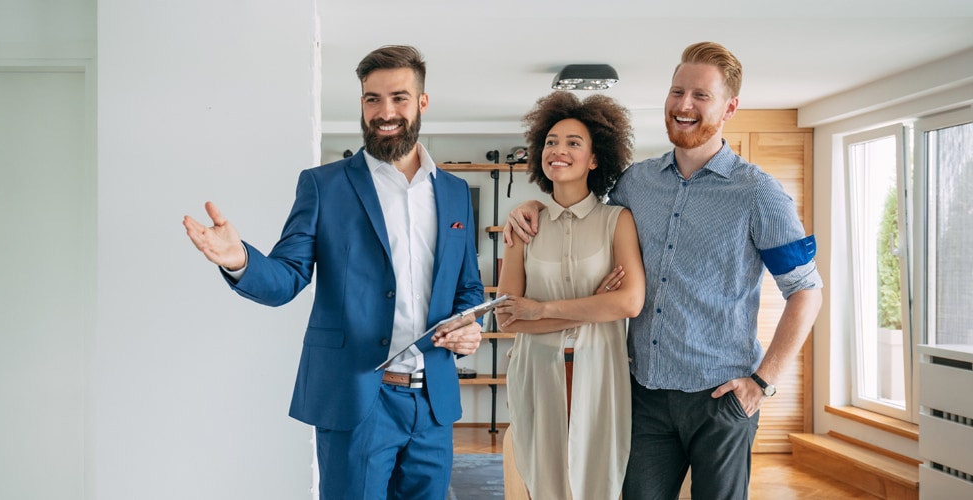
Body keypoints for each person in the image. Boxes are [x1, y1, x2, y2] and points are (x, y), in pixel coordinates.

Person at [504, 41, 823, 499]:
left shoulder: (759, 194)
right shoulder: (637, 182)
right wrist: (531, 206)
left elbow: (806, 291)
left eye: (700, 95)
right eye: (677, 92)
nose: (684, 105)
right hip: (644, 395)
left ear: (730, 107)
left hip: (721, 398)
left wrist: (762, 383)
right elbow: (580, 214)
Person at [182, 45, 485, 500]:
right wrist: (239, 260)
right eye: (372, 99)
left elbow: (468, 287)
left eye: (399, 98)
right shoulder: (323, 185)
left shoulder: (456, 193)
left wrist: (470, 325)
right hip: (358, 399)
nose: (385, 112)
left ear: (422, 103)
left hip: (433, 403)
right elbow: (287, 276)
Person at [493, 92, 645, 500]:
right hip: (536, 371)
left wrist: (541, 310)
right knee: (543, 482)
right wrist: (593, 307)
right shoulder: (524, 225)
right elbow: (505, 318)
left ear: (595, 159)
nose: (558, 150)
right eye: (551, 142)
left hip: (599, 370)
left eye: (573, 143)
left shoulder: (618, 221)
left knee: (597, 482)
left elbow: (629, 302)